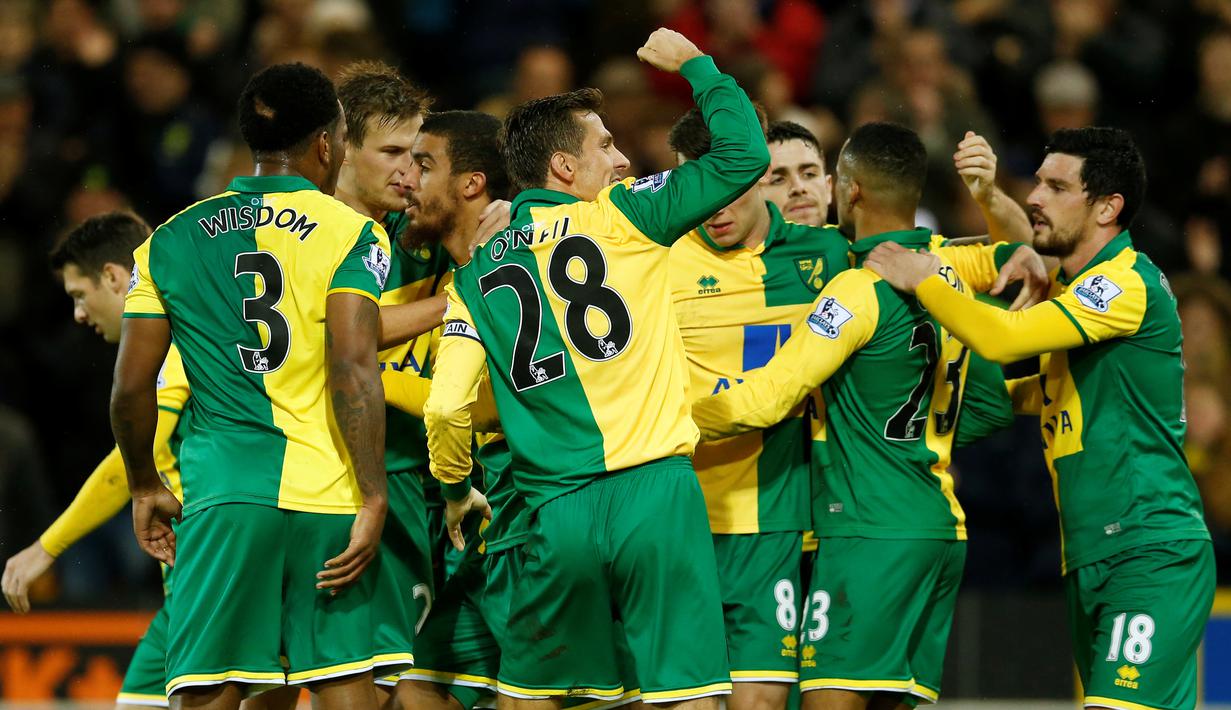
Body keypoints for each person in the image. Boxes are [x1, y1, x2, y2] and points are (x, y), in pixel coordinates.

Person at [423, 28, 768, 709]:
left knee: (533, 695)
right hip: (655, 497)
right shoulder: (625, 217)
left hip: (555, 511)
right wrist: (697, 67)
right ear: (562, 167)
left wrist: (457, 488)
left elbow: (444, 406)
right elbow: (743, 155)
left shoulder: (477, 272)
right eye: (604, 145)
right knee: (687, 693)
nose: (619, 158)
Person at [690, 122, 1047, 709]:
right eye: (779, 178)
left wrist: (656, 421)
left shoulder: (856, 286)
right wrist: (918, 432)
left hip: (861, 530)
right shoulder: (940, 274)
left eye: (810, 175)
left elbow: (768, 397)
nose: (799, 190)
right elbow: (982, 400)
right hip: (931, 526)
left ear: (844, 189)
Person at [865, 126, 1214, 710]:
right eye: (1037, 184)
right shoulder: (1081, 290)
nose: (1036, 197)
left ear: (1107, 207)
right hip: (1090, 554)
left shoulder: (1122, 285)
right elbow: (1027, 384)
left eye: (1056, 187)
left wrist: (928, 278)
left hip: (1149, 550)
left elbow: (1005, 338)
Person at [110, 62, 402, 710]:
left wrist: (142, 484)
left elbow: (130, 390)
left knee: (214, 688)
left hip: (226, 497)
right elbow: (354, 366)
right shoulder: (354, 233)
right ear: (327, 143)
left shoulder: (169, 240)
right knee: (345, 683)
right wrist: (373, 495)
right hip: (327, 495)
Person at [666, 108, 848, 710]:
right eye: (701, 191)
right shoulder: (654, 258)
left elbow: (931, 255)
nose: (714, 208)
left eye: (729, 190)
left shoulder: (828, 257)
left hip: (771, 513)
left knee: (763, 700)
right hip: (674, 515)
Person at [331, 60, 440, 705]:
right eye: (393, 151)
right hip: (342, 478)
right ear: (343, 147)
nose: (409, 170)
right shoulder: (318, 232)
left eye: (418, 155)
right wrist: (457, 302)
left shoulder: (415, 233)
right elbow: (346, 336)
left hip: (411, 475)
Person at [761, 121, 832, 227]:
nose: (798, 188)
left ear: (828, 187)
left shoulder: (858, 242)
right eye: (778, 180)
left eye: (809, 174)